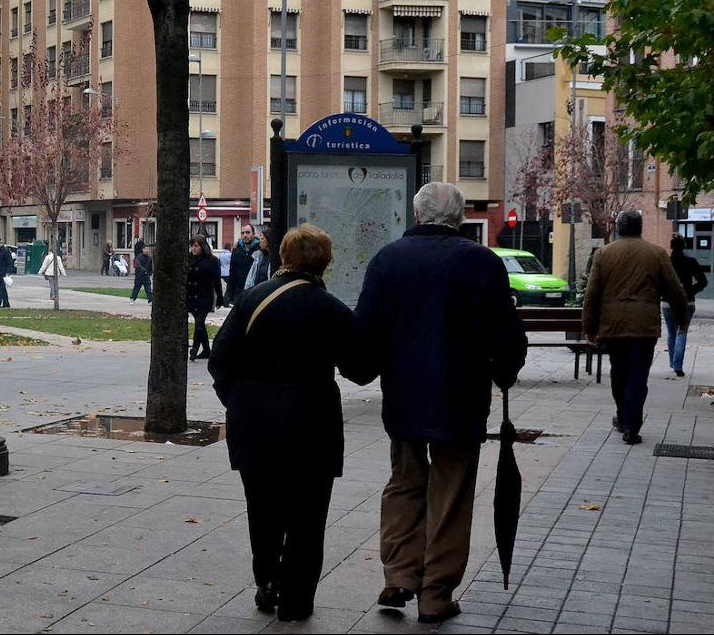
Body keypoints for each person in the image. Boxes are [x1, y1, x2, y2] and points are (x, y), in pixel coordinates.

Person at [354, 182, 527, 624]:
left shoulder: (388, 259)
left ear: (416, 215)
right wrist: (505, 370)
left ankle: (398, 573)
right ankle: (435, 593)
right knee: (451, 492)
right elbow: (504, 333)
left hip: (405, 393)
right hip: (461, 396)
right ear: (460, 216)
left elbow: (367, 330)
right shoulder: (481, 263)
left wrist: (360, 368)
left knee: (404, 480)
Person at [209, 223, 369, 621]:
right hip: (313, 424)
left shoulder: (250, 300)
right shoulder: (329, 308)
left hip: (254, 424)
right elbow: (361, 368)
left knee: (262, 510)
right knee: (308, 517)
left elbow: (219, 361)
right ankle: (296, 600)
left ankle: (267, 582)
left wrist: (240, 402)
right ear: (324, 262)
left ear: (283, 256)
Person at [583, 211, 688, 444]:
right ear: (640, 227)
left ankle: (622, 417)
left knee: (618, 372)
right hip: (644, 326)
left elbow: (591, 294)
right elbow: (675, 290)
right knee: (638, 375)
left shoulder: (603, 254)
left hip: (614, 325)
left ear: (619, 227)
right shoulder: (657, 254)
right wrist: (681, 320)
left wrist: (589, 327)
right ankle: (631, 425)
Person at [664, 234, 707, 377]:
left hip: (668, 303)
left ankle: (672, 362)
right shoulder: (691, 262)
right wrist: (690, 291)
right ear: (684, 246)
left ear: (671, 247)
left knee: (671, 333)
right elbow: (703, 281)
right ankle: (678, 365)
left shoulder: (666, 262)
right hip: (687, 301)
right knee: (682, 332)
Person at [187, 236, 223, 361]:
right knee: (200, 323)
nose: (194, 248)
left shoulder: (212, 260)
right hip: (192, 296)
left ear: (203, 246)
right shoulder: (190, 259)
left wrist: (220, 297)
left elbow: (217, 280)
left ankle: (195, 348)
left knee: (199, 322)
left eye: (196, 246)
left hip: (205, 296)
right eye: (192, 246)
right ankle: (207, 350)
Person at [229, 225, 259, 303]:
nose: (245, 235)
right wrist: (229, 295)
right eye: (243, 233)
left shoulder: (259, 250)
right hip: (239, 292)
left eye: (248, 233)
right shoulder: (236, 251)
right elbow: (232, 273)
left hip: (255, 291)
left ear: (254, 234)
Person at [0, 238, 15, 308]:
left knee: (1, 288)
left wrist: (8, 272)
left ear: (0, 243)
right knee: (0, 288)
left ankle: (3, 303)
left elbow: (9, 262)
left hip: (2, 272)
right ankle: (3, 302)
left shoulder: (5, 251)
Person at [218, 243, 232, 307]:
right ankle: (225, 302)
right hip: (228, 272)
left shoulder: (221, 255)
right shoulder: (230, 255)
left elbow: (219, 263)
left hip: (222, 272)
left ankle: (223, 301)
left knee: (225, 287)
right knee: (228, 287)